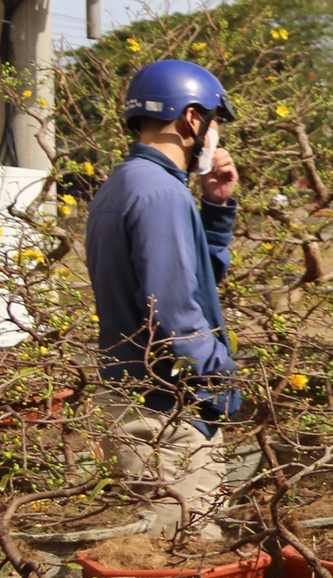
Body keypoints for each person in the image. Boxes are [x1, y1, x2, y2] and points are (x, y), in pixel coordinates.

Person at [86, 60, 240, 537]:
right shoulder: (160, 195)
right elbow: (174, 311)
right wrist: (223, 379)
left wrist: (215, 210)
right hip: (165, 411)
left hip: (135, 399)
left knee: (153, 559)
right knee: (185, 560)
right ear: (192, 118)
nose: (214, 135)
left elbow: (193, 280)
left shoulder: (127, 182)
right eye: (213, 121)